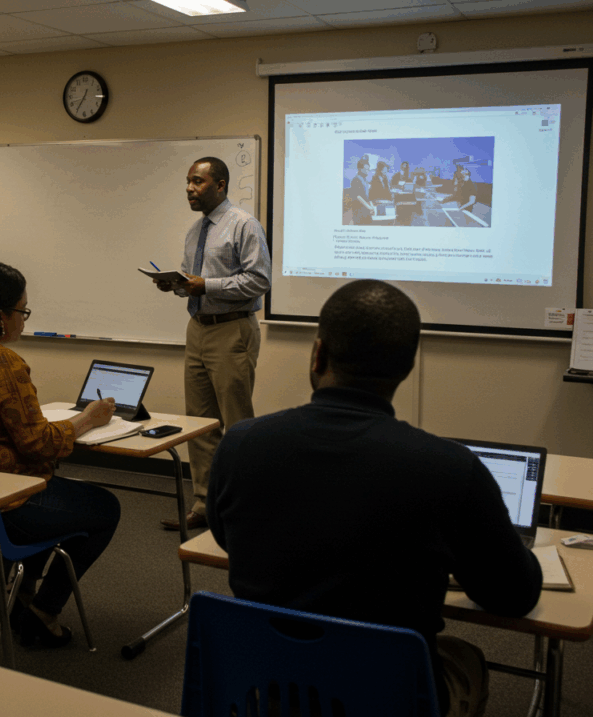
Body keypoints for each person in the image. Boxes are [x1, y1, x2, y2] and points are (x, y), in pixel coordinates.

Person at [206, 279, 542, 717]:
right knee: (465, 657)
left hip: (267, 688)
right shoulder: (451, 469)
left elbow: (226, 536)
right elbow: (515, 596)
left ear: (317, 354)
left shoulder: (239, 444)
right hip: (390, 699)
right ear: (406, 367)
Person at [0, 260, 121, 648]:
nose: (24, 321)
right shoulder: (2, 362)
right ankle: (43, 612)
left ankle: (26, 593)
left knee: (62, 495)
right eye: (22, 311)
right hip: (2, 507)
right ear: (1, 316)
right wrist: (87, 420)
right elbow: (39, 444)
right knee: (105, 507)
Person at [151, 157, 271, 531]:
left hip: (232, 329)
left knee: (236, 425)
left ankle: (243, 509)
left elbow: (259, 280)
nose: (189, 188)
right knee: (200, 423)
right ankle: (205, 503)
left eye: (198, 181)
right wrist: (175, 284)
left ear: (220, 185)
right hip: (198, 327)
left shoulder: (243, 225)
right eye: (187, 181)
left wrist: (207, 286)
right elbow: (194, 283)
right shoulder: (194, 231)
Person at [350, 156, 374, 225]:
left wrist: (371, 206)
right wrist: (369, 208)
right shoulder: (356, 180)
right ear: (360, 169)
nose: (368, 171)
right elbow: (358, 196)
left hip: (366, 210)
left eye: (368, 169)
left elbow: (368, 197)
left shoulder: (365, 180)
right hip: (359, 211)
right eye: (366, 169)